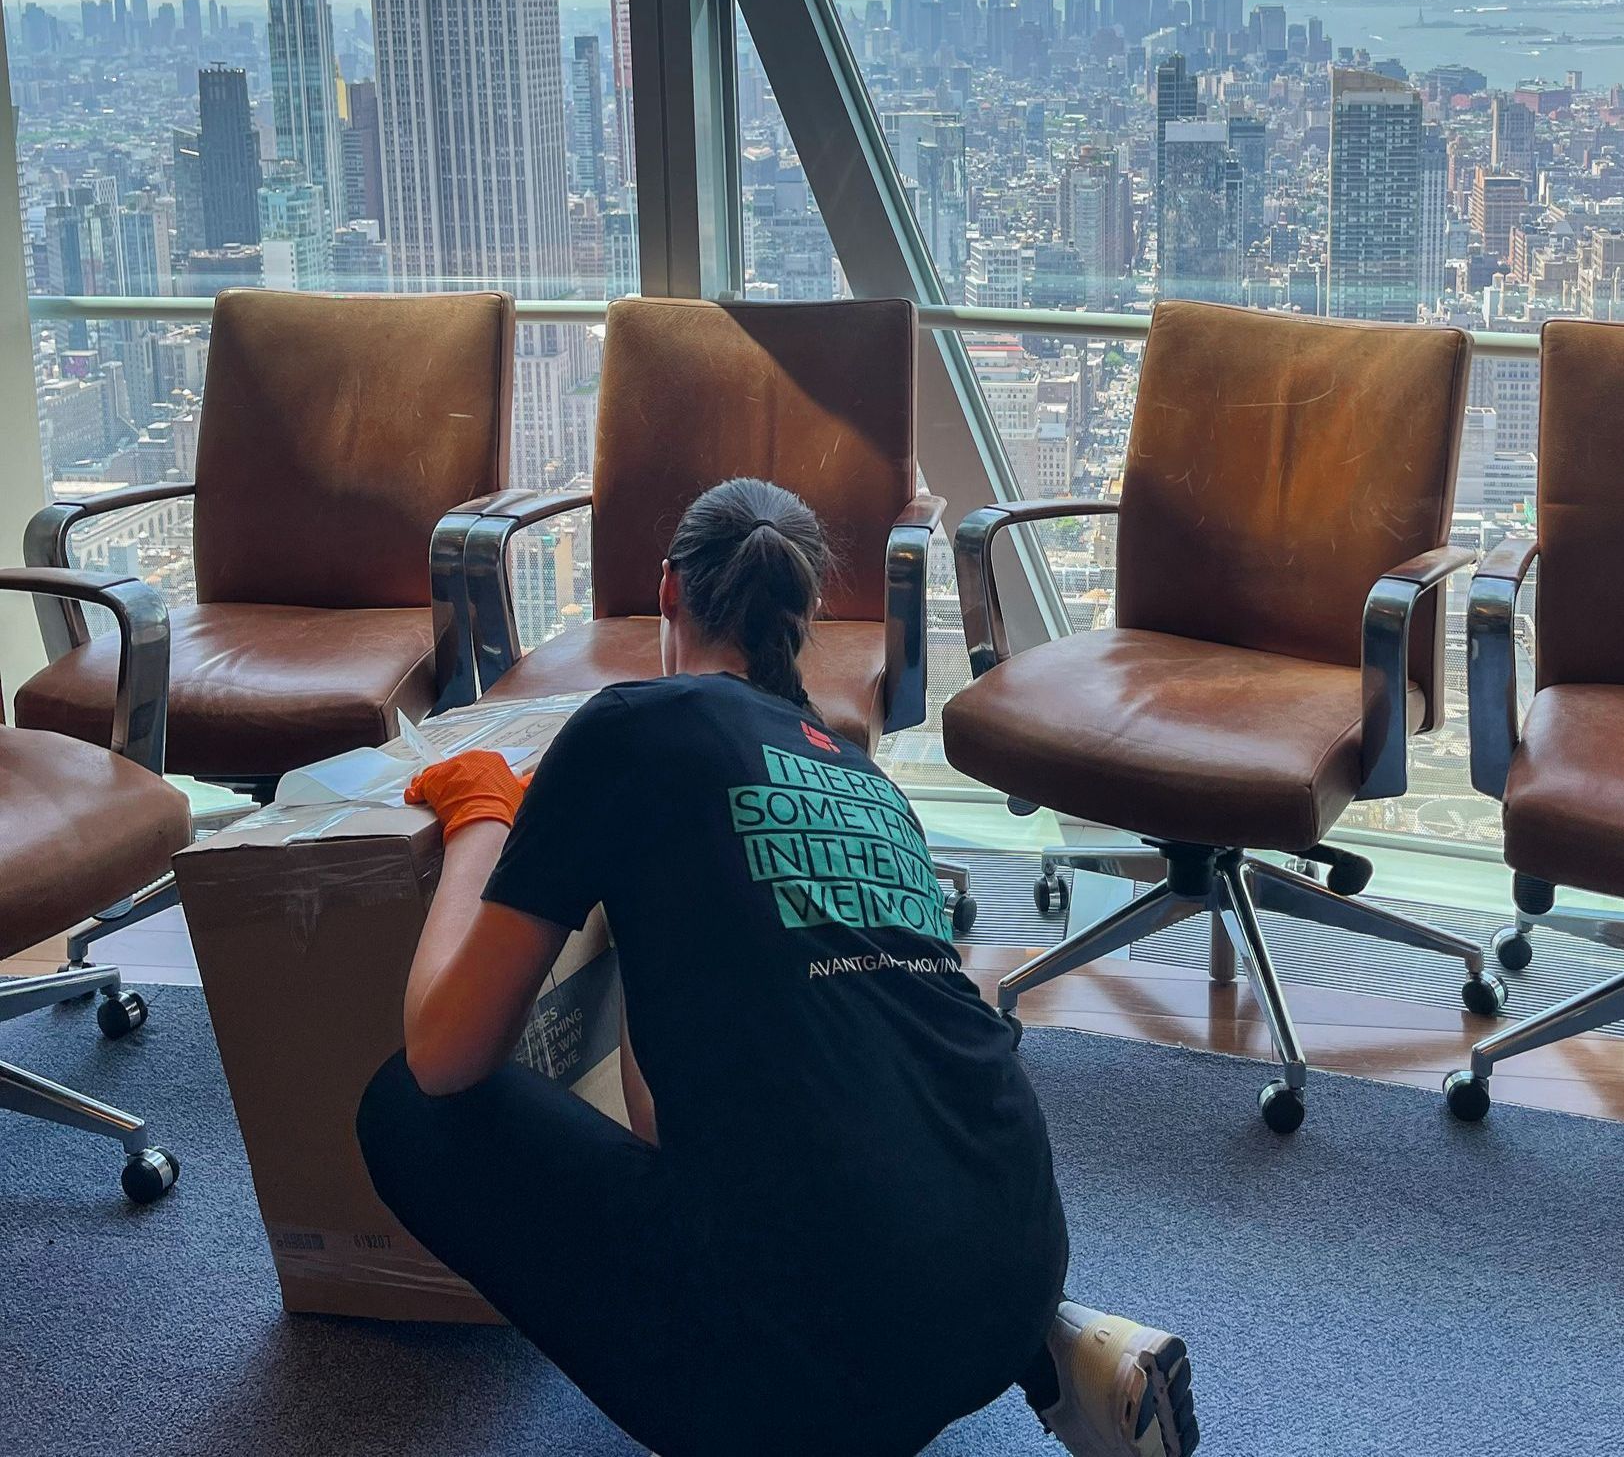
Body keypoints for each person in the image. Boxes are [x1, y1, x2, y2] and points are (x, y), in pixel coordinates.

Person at [357, 475, 1199, 1457]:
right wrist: (657, 915)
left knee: (403, 1108)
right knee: (841, 1133)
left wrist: (483, 818)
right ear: (800, 619)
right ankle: (1053, 1349)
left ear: (669, 592)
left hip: (807, 1399)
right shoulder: (864, 776)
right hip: (1022, 1263)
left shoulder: (631, 725)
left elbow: (446, 1053)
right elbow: (670, 1121)